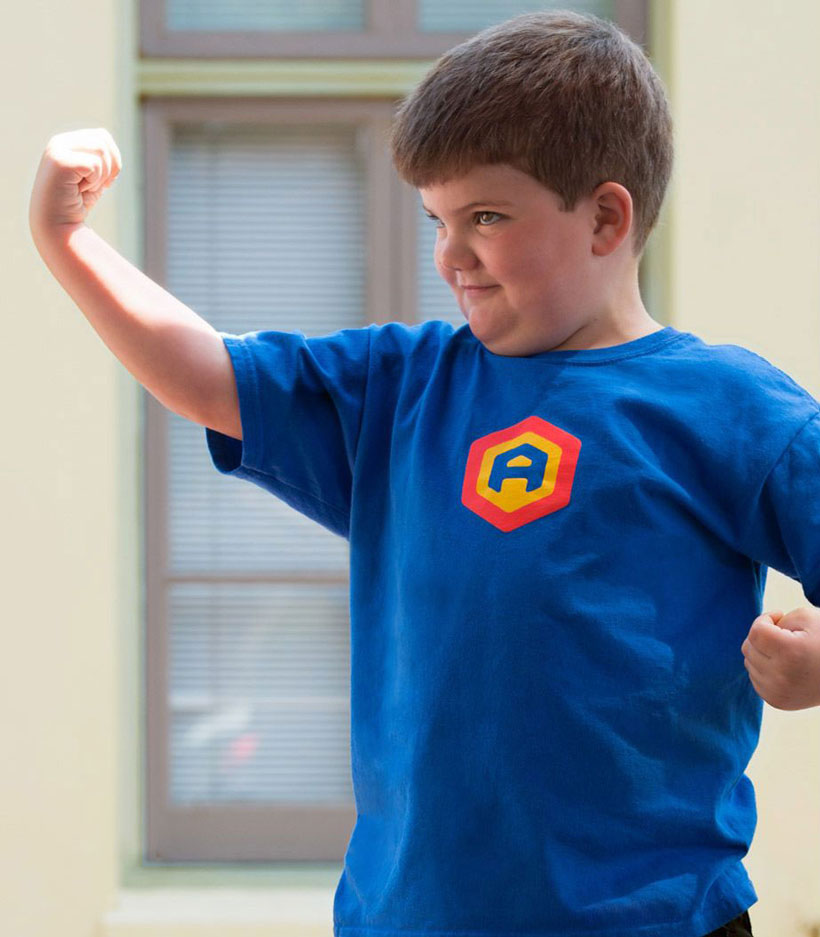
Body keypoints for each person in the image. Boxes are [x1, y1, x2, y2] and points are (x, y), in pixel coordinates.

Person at [27, 10, 820, 937]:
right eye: (438, 219)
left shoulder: (730, 407)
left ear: (606, 217)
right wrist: (65, 240)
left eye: (486, 217)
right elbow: (209, 375)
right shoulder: (398, 389)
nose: (451, 254)